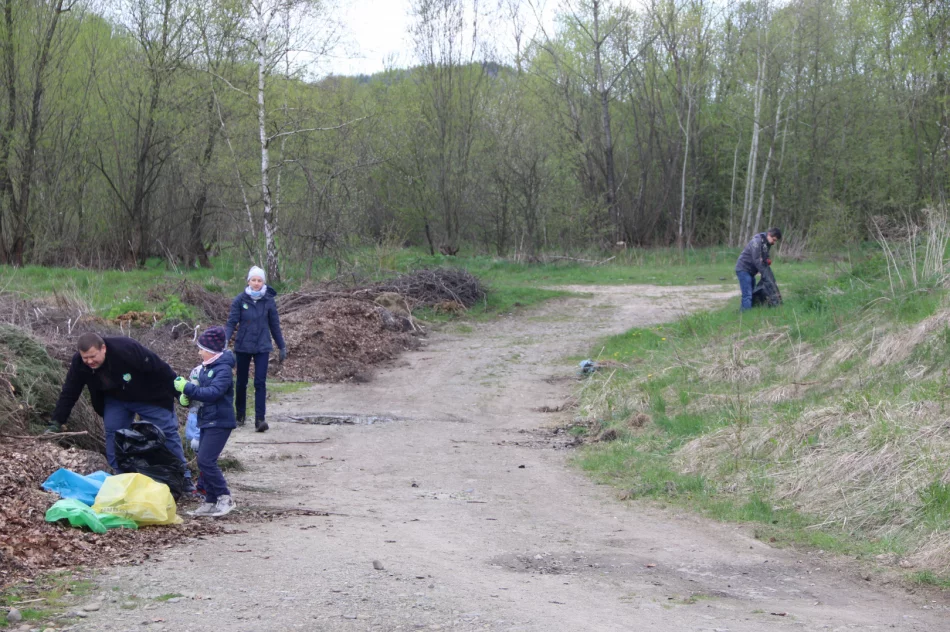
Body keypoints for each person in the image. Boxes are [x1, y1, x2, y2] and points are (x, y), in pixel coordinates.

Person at [50, 332, 192, 489]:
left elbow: (161, 370)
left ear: (103, 348)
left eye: (93, 356)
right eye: (85, 358)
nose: (89, 361)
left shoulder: (126, 349)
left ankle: (182, 476)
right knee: (114, 432)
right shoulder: (79, 363)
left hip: (149, 396)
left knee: (166, 432)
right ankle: (119, 477)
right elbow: (70, 391)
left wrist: (179, 393)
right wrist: (57, 421)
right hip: (116, 399)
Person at [174, 326, 237, 517]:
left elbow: (213, 393)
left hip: (220, 422)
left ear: (211, 351)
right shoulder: (204, 369)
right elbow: (199, 393)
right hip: (206, 420)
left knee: (206, 460)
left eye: (201, 349)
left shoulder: (223, 370)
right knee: (203, 462)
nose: (199, 352)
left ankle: (225, 497)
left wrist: (188, 388)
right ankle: (210, 501)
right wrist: (186, 398)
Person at [224, 265, 287, 433]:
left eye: (259, 280)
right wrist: (225, 341)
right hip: (243, 346)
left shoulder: (268, 300)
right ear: (248, 281)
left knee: (260, 382)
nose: (256, 283)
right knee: (241, 382)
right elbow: (231, 322)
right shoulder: (240, 300)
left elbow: (274, 325)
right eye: (253, 280)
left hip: (262, 346)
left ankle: (260, 419)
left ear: (263, 282)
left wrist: (281, 345)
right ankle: (240, 416)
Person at [735, 227, 782, 311]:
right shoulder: (756, 241)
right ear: (769, 234)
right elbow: (756, 259)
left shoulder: (766, 243)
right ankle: (746, 314)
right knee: (747, 295)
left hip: (751, 272)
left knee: (751, 293)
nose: (774, 242)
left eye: (775, 241)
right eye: (774, 240)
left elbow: (764, 258)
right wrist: (764, 273)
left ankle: (742, 313)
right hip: (743, 269)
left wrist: (766, 261)